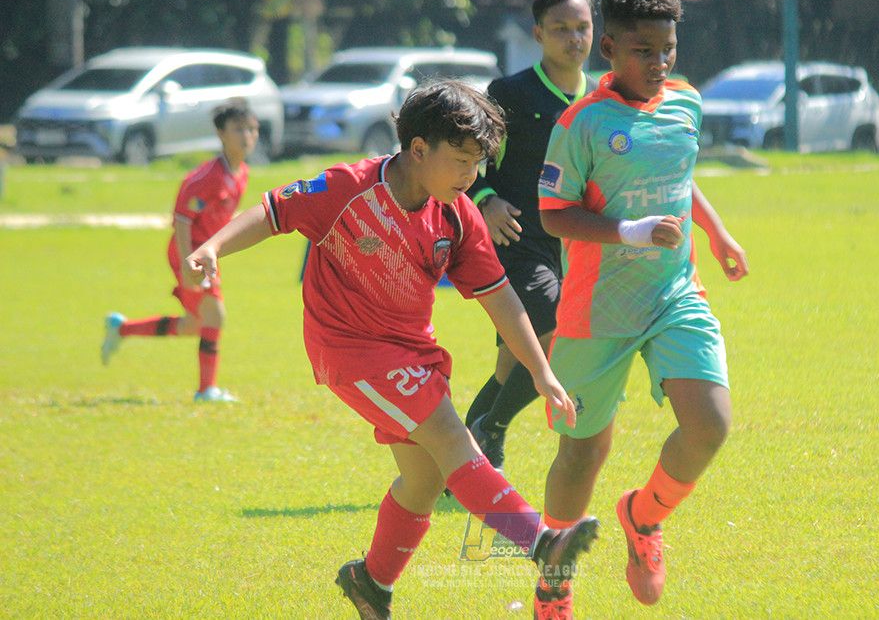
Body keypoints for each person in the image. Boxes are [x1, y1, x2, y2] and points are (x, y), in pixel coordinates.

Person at [181, 81, 599, 620]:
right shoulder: (349, 187)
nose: (472, 176)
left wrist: (540, 371)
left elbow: (499, 296)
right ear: (418, 148)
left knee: (424, 480)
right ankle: (542, 543)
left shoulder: (457, 214)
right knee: (451, 437)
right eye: (462, 161)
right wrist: (213, 246)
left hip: (411, 349)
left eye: (478, 163)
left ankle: (370, 583)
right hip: (349, 349)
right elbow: (273, 212)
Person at [535, 0, 749, 613]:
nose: (659, 63)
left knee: (710, 424)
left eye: (668, 49)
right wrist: (629, 230)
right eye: (643, 50)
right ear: (610, 49)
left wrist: (716, 232)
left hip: (674, 293)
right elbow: (553, 213)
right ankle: (553, 585)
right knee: (583, 453)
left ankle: (644, 517)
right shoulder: (581, 123)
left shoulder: (687, 103)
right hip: (597, 309)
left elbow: (679, 174)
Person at [463, 0, 599, 472]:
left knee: (511, 363)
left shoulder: (601, 98)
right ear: (538, 33)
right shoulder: (510, 93)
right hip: (515, 241)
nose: (574, 38)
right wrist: (486, 199)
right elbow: (466, 159)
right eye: (560, 28)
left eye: (582, 27)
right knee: (557, 331)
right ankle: (492, 430)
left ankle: (459, 462)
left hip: (572, 247)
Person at [101, 98, 259, 403]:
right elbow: (182, 220)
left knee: (194, 325)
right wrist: (189, 262)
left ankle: (121, 329)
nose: (247, 136)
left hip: (205, 254)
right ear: (221, 134)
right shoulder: (208, 177)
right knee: (215, 315)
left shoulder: (241, 173)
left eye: (252, 129)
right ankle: (206, 390)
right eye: (239, 129)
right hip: (189, 252)